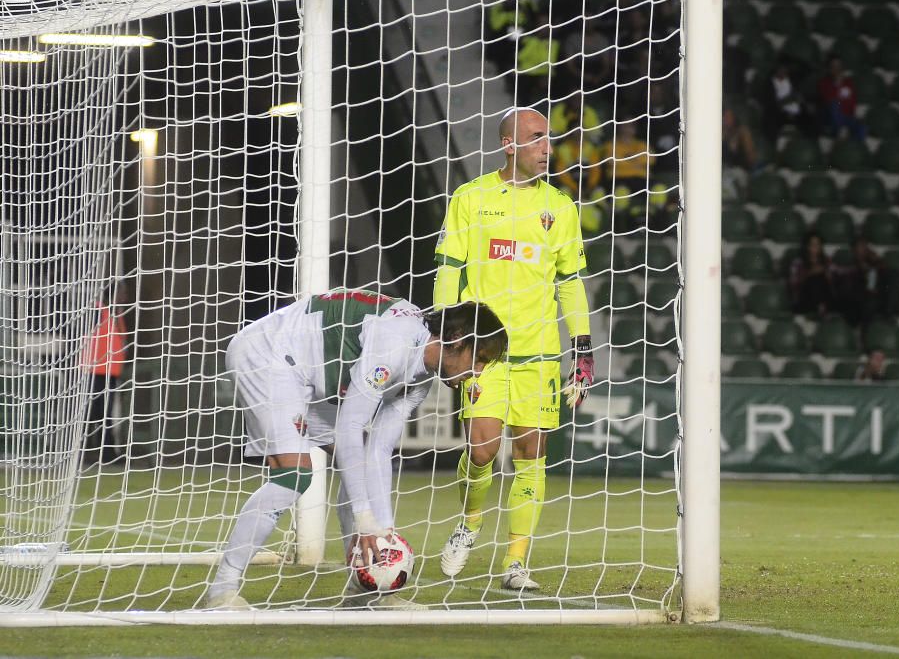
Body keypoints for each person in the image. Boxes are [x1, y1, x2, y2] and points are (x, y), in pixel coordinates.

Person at [202, 289, 508, 610]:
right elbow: (350, 426)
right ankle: (222, 591)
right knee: (294, 474)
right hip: (269, 354)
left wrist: (384, 532)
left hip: (311, 374)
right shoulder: (396, 343)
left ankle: (370, 591)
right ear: (457, 338)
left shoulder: (420, 378)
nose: (478, 372)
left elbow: (377, 449)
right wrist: (364, 518)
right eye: (479, 359)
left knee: (356, 465)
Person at [433, 107, 593, 591]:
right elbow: (448, 269)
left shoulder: (560, 208)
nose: (548, 148)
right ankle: (471, 522)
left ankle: (516, 562)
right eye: (537, 138)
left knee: (531, 452)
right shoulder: (471, 197)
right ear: (508, 144)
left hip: (540, 351)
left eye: (550, 139)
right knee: (482, 449)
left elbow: (570, 282)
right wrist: (446, 336)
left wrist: (582, 348)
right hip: (484, 353)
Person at [81, 286, 128, 466]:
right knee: (90, 413)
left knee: (103, 414)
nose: (124, 296)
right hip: (94, 371)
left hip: (109, 371)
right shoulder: (98, 310)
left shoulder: (117, 314)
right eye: (121, 293)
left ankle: (106, 453)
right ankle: (82, 453)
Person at [834, 236, 899, 327]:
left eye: (864, 247)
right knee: (869, 302)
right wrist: (862, 270)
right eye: (859, 247)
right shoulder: (850, 267)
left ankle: (890, 313)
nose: (862, 250)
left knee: (893, 274)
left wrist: (877, 263)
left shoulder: (875, 264)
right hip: (861, 303)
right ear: (853, 250)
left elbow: (883, 279)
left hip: (877, 299)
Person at [760, 61, 817, 143]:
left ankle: (808, 145)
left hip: (797, 113)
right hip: (779, 115)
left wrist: (806, 105)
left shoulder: (792, 80)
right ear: (776, 69)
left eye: (785, 69)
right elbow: (771, 105)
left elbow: (799, 96)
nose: (783, 71)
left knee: (811, 117)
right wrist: (788, 100)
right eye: (781, 69)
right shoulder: (770, 84)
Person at [787, 232, 836, 317]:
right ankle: (820, 309)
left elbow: (834, 280)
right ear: (807, 246)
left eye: (818, 244)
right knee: (815, 279)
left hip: (825, 298)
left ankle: (822, 308)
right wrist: (810, 273)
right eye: (813, 244)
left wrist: (828, 276)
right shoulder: (798, 263)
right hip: (805, 299)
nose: (815, 247)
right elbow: (793, 284)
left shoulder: (827, 261)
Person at [818, 55, 866, 142]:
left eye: (839, 66)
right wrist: (838, 86)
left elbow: (852, 101)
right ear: (829, 69)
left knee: (861, 125)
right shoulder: (824, 83)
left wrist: (841, 101)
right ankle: (839, 132)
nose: (837, 69)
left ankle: (850, 147)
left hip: (846, 116)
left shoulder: (848, 83)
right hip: (830, 120)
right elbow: (829, 100)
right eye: (834, 66)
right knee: (834, 105)